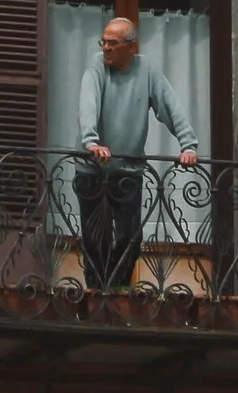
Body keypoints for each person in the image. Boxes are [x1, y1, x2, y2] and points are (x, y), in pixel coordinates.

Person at [75, 16, 199, 290]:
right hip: (91, 169)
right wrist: (91, 142)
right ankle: (98, 293)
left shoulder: (147, 70)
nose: (106, 48)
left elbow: (170, 106)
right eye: (104, 42)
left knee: (131, 237)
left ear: (131, 46)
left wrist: (188, 145)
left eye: (113, 43)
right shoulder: (97, 66)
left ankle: (115, 290)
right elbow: (88, 102)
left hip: (128, 171)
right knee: (95, 239)